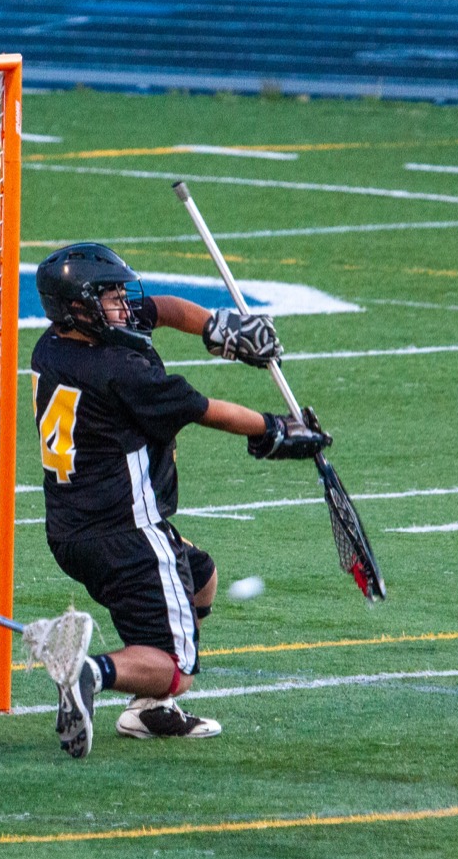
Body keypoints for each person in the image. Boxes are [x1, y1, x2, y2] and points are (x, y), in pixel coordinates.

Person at [31, 243, 330, 759]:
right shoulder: (119, 371)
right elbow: (202, 408)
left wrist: (220, 330)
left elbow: (162, 308)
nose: (123, 306)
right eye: (109, 298)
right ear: (79, 307)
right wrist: (277, 430)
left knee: (201, 575)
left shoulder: (55, 345)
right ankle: (91, 672)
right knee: (176, 667)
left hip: (73, 529)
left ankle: (147, 709)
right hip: (126, 530)